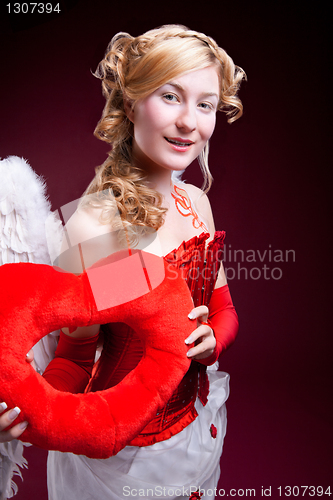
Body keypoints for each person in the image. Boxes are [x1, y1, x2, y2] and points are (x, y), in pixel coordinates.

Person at [0, 24, 244, 499]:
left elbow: (225, 310)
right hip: (122, 456)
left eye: (205, 104)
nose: (189, 123)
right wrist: (22, 410)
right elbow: (73, 357)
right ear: (131, 103)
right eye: (170, 96)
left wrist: (214, 339)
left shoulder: (198, 202)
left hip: (194, 428)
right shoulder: (93, 227)